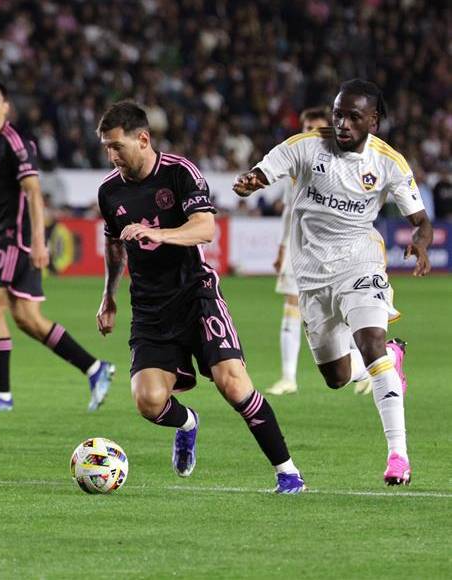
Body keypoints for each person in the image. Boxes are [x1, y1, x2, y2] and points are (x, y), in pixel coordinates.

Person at [95, 101, 306, 494]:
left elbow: (205, 227)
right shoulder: (109, 191)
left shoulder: (178, 173)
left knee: (233, 384)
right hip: (150, 308)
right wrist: (109, 296)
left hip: (196, 294)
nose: (112, 156)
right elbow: (114, 247)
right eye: (107, 147)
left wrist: (159, 234)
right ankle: (187, 423)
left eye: (117, 146)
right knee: (148, 401)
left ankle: (288, 472)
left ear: (143, 139)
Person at [233, 79, 433, 485]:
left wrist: (421, 242)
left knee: (370, 341)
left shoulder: (389, 162)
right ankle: (391, 360)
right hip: (310, 272)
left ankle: (399, 457)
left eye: (352, 116)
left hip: (360, 259)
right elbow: (266, 169)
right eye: (338, 113)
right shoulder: (307, 145)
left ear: (373, 121)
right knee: (336, 377)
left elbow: (421, 220)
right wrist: (252, 181)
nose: (341, 123)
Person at [0, 80, 115, 413]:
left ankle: (0, 395)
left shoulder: (15, 143)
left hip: (16, 236)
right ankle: (94, 368)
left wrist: (40, 242)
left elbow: (33, 192)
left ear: (5, 107)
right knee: (27, 318)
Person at [267, 107, 331, 396]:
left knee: (340, 308)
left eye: (317, 129)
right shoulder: (295, 166)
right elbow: (288, 211)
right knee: (292, 307)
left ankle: (365, 368)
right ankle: (288, 377)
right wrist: (282, 247)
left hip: (330, 247)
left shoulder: (338, 164)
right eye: (307, 128)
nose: (311, 134)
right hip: (297, 246)